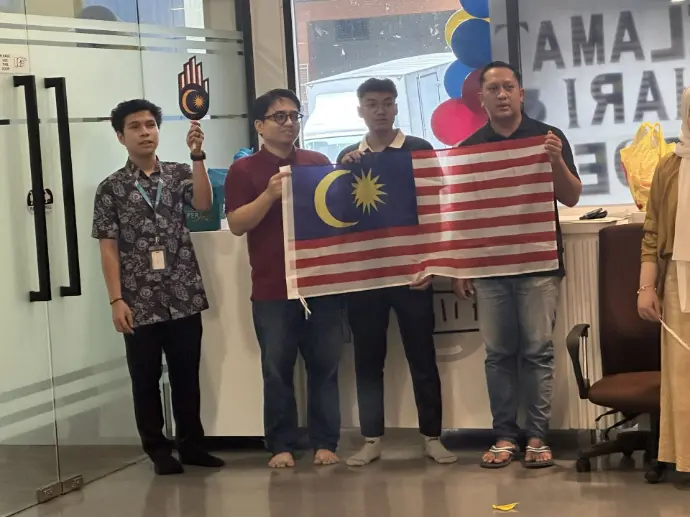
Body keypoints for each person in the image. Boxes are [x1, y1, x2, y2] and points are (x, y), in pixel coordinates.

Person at [453, 61, 581, 469]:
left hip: (539, 264)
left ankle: (538, 436)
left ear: (521, 93)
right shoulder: (470, 148)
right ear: (482, 98)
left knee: (538, 352)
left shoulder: (548, 138)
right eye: (493, 89)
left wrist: (555, 161)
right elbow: (463, 213)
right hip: (490, 267)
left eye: (508, 87)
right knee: (498, 355)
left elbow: (572, 197)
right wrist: (462, 266)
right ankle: (505, 435)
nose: (502, 95)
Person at [92, 99, 224, 475]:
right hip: (138, 299)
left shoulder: (179, 173)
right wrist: (116, 299)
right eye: (135, 126)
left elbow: (203, 204)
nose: (145, 132)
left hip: (182, 292)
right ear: (121, 136)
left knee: (186, 374)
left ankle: (192, 445)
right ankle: (157, 449)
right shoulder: (111, 188)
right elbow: (108, 248)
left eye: (150, 125)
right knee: (145, 378)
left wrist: (197, 156)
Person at [337, 78, 457, 467]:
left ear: (396, 107)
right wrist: (341, 172)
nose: (381, 110)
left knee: (422, 357)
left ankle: (432, 437)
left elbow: (437, 210)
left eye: (387, 103)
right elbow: (338, 216)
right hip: (366, 275)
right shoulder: (348, 156)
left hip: (412, 273)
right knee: (368, 361)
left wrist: (432, 262)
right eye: (372, 104)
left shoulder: (419, 149)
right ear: (360, 110)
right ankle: (371, 439)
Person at [225, 89, 345, 469]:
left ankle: (325, 441)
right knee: (277, 370)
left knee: (325, 368)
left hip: (319, 283)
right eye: (280, 117)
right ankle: (280, 445)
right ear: (260, 126)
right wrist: (269, 194)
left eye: (295, 115)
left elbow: (338, 213)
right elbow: (236, 224)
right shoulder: (243, 170)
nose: (289, 122)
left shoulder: (316, 162)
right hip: (272, 287)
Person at [638, 85, 690, 474]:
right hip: (679, 280)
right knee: (682, 375)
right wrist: (646, 288)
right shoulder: (669, 167)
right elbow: (652, 233)